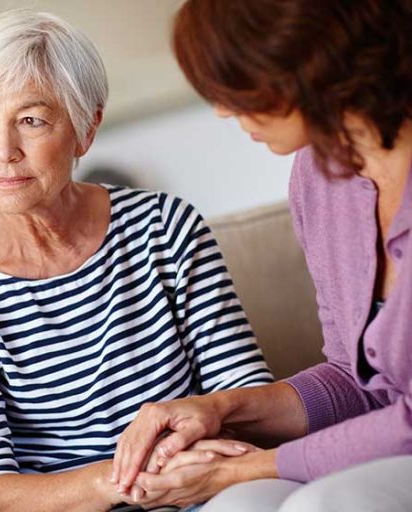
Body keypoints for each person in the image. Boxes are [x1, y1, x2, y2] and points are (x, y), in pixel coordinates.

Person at [0, 9, 273, 512]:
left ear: (86, 127)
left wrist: (196, 467)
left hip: (210, 495)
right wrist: (123, 480)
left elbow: (248, 398)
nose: (3, 150)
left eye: (31, 120)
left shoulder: (166, 228)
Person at [110, 1, 412, 510]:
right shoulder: (319, 179)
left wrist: (244, 467)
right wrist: (221, 408)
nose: (223, 111)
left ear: (306, 60)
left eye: (236, 83)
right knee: (237, 506)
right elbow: (356, 381)